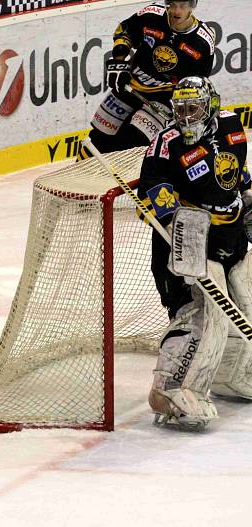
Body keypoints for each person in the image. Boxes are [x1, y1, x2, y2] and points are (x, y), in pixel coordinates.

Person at [137, 77, 251, 430]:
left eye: (194, 109)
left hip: (229, 237)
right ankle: (171, 390)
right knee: (203, 313)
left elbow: (233, 176)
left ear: (211, 105)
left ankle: (232, 375)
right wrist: (176, 227)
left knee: (245, 303)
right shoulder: (165, 144)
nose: (186, 118)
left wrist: (247, 202)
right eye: (180, 110)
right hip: (190, 241)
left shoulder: (232, 124)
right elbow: (155, 193)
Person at [78, 0, 215, 161]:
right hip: (131, 83)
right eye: (172, 4)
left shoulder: (202, 42)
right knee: (98, 137)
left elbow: (197, 83)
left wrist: (184, 109)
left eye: (183, 5)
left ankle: (115, 181)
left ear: (192, 6)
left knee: (134, 143)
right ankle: (74, 177)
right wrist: (119, 61)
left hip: (164, 98)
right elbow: (125, 30)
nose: (177, 11)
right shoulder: (152, 14)